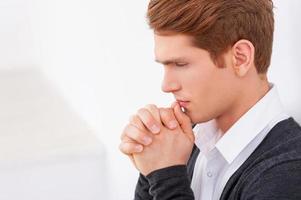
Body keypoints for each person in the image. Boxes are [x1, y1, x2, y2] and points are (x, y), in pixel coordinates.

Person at [119, 0, 301, 199]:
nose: (167, 85)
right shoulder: (182, 143)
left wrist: (166, 177)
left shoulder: (288, 172)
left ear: (240, 58)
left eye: (180, 64)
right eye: (165, 66)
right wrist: (152, 169)